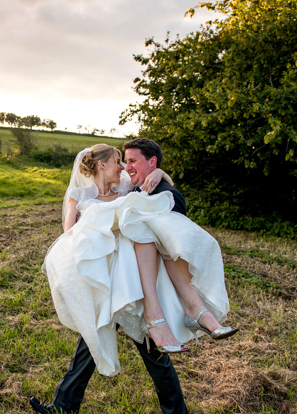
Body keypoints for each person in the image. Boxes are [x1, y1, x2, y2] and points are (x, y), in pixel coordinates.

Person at [30, 140, 237, 414]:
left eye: (125, 162)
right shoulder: (80, 195)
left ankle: (174, 412)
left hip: (131, 281)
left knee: (151, 350)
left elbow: (154, 188)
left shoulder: (126, 186)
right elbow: (69, 236)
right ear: (102, 164)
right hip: (104, 279)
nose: (123, 168)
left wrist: (159, 173)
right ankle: (63, 407)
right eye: (118, 161)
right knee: (93, 341)